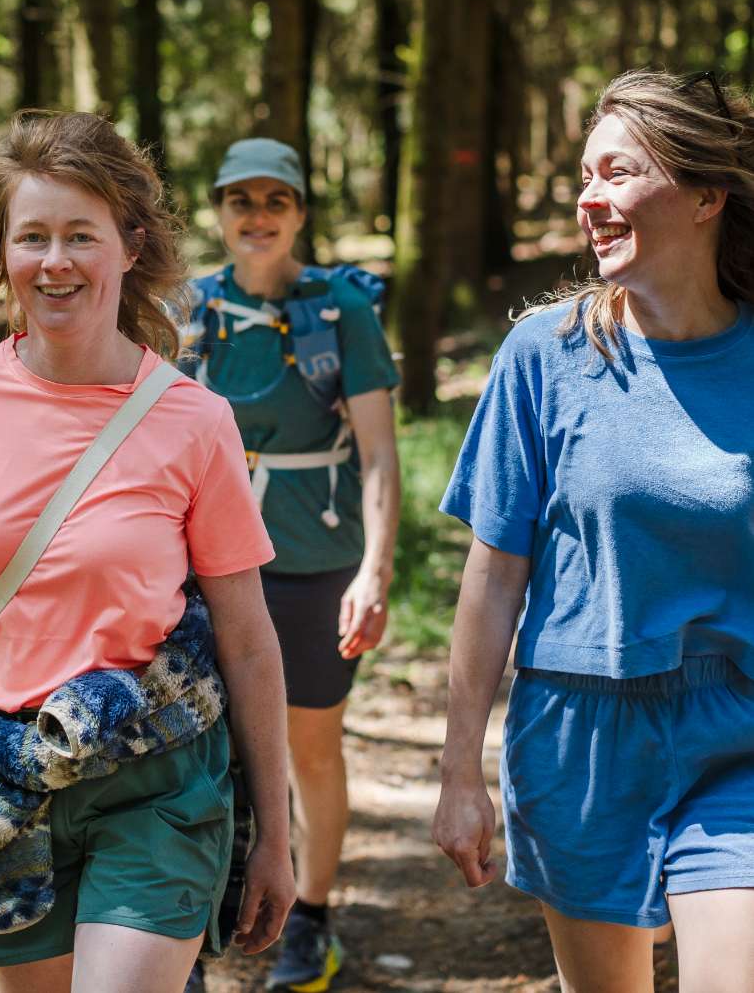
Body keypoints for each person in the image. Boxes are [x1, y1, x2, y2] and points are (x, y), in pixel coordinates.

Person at [0, 111, 295, 993]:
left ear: (130, 245)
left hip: (156, 785)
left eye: (81, 235)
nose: (55, 261)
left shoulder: (194, 422)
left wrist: (277, 838)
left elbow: (249, 639)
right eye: (31, 237)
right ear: (1, 254)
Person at [433, 69, 754, 992]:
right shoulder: (543, 357)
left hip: (732, 730)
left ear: (704, 195)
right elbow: (494, 578)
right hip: (580, 732)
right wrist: (461, 772)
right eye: (585, 176)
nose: (589, 198)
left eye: (617, 173)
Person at [179, 137, 402, 992]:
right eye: (242, 200)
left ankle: (310, 919)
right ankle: (194, 925)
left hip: (315, 562)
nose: (257, 216)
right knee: (203, 749)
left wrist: (375, 570)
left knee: (310, 746)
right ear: (220, 211)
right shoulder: (189, 309)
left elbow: (379, 454)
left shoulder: (343, 308)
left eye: (276, 200)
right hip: (206, 569)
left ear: (301, 211)